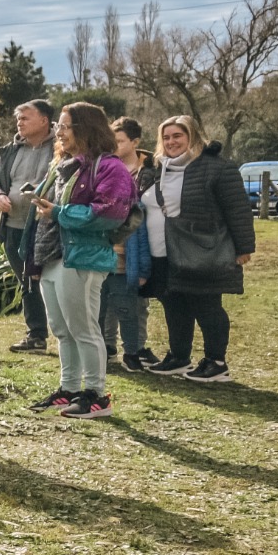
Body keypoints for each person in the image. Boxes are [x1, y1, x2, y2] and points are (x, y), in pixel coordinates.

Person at [28, 101, 134, 418]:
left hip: (82, 257)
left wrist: (59, 212)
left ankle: (97, 396)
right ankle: (70, 388)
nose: (57, 131)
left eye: (64, 126)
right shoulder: (65, 164)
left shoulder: (110, 167)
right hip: (53, 254)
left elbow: (111, 213)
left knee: (84, 328)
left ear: (85, 129)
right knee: (62, 329)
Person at [137, 113, 256, 383]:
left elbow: (237, 210)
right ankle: (179, 357)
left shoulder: (217, 168)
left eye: (178, 135)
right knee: (173, 304)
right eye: (166, 137)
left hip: (201, 248)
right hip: (162, 250)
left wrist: (243, 247)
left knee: (206, 304)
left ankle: (216, 362)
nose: (171, 142)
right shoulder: (157, 168)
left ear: (193, 136)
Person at [0, 99, 57, 354]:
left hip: (50, 227)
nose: (19, 122)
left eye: (25, 117)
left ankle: (69, 336)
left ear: (44, 120)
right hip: (13, 227)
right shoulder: (9, 151)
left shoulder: (63, 147)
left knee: (54, 281)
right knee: (26, 282)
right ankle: (36, 336)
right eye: (19, 118)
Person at [104, 117, 159, 371]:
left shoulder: (150, 172)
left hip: (137, 243)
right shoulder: (105, 168)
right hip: (109, 247)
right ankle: (106, 346)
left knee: (132, 304)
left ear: (135, 142)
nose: (114, 145)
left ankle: (135, 348)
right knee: (105, 303)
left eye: (119, 141)